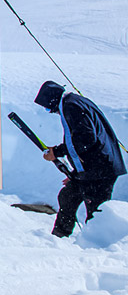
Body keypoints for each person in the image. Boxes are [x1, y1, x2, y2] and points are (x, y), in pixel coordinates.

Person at [34, 80, 125, 237]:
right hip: (91, 169)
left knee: (96, 210)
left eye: (48, 107)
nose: (51, 111)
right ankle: (59, 237)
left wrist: (56, 152)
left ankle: (98, 245)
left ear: (53, 100)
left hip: (101, 170)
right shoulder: (74, 102)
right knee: (68, 196)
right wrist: (78, 173)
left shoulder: (72, 106)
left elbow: (85, 139)